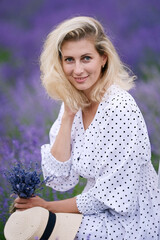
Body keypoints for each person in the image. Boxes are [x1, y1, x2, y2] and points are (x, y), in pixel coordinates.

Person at [14, 16, 160, 239]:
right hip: (96, 212)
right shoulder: (73, 105)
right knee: (30, 229)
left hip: (134, 221)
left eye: (86, 58)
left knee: (45, 230)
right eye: (69, 60)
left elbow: (114, 195)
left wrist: (47, 207)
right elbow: (58, 179)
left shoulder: (119, 107)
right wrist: (68, 116)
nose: (78, 69)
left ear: (103, 59)